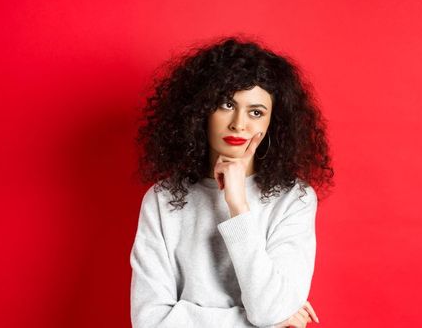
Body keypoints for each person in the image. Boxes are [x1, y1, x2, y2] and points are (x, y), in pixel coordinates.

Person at [130, 36, 334, 328]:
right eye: (226, 104)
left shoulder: (294, 198)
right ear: (201, 110)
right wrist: (265, 322)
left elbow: (268, 310)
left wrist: (238, 205)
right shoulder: (162, 199)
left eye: (256, 112)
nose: (239, 123)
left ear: (272, 122)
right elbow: (149, 322)